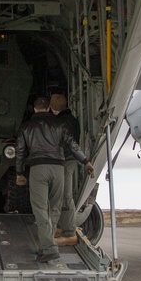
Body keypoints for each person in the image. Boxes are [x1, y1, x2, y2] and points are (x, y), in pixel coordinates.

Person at [15, 96, 90, 263]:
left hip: (38, 168)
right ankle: (49, 239)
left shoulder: (26, 127)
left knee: (40, 208)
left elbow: (20, 151)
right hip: (58, 168)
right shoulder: (60, 124)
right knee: (55, 206)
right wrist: (85, 161)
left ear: (34, 109)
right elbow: (72, 145)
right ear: (48, 108)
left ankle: (49, 248)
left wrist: (19, 173)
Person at [50, 94, 92, 247]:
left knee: (66, 196)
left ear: (52, 108)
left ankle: (69, 233)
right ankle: (61, 228)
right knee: (61, 195)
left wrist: (85, 160)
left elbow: (70, 144)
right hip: (67, 160)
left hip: (65, 161)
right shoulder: (71, 119)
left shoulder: (61, 122)